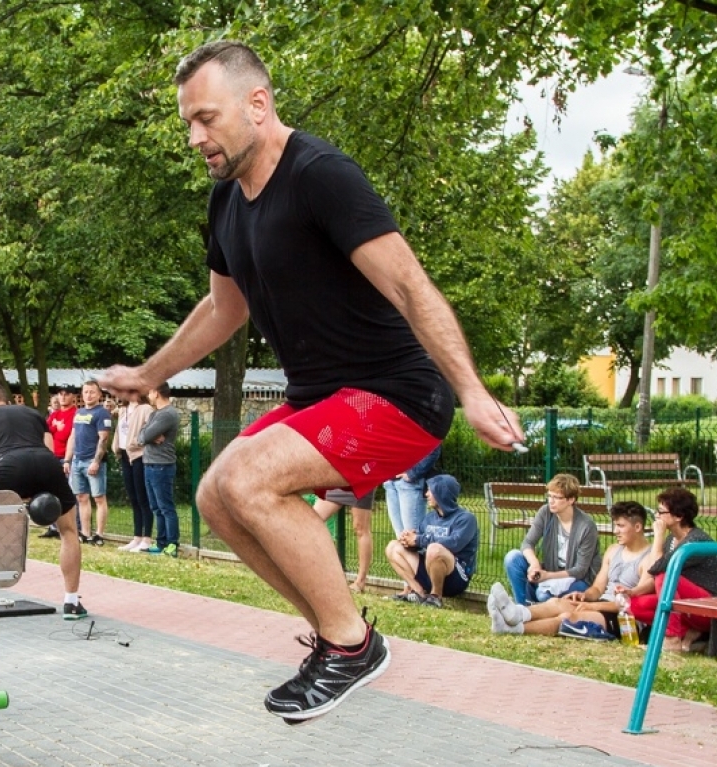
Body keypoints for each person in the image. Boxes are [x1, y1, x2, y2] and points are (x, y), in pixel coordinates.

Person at [100, 40, 525, 722]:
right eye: (188, 124)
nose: (195, 138)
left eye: (206, 119)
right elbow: (224, 309)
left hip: (395, 392)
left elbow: (410, 286)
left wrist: (473, 391)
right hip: (321, 398)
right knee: (215, 495)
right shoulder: (226, 200)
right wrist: (150, 373)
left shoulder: (322, 175)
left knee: (248, 479)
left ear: (257, 104)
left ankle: (350, 645)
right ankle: (339, 638)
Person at [0, 383, 87, 619]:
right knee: (69, 531)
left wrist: (10, 491)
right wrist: (34, 486)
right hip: (47, 464)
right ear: (8, 401)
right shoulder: (32, 413)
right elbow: (48, 449)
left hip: (9, 465)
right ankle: (72, 602)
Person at [487, 501, 651, 638]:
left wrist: (593, 607)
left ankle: (512, 629)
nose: (616, 531)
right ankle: (515, 613)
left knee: (568, 618)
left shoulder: (649, 558)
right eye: (615, 525)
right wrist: (584, 596)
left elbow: (636, 604)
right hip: (601, 604)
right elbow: (597, 588)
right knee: (556, 603)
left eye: (621, 526)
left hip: (625, 617)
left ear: (637, 527)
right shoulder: (613, 550)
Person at [618, 487, 717, 653]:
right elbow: (655, 574)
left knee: (665, 576)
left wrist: (658, 536)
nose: (657, 516)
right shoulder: (672, 539)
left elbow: (657, 568)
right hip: (686, 604)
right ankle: (689, 634)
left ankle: (672, 638)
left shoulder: (695, 541)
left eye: (661, 511)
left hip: (710, 608)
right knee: (633, 605)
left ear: (678, 516)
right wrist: (633, 592)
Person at [502, 473, 600, 605]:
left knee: (542, 595)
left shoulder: (586, 526)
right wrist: (534, 564)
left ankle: (537, 607)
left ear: (571, 500)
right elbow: (527, 543)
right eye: (549, 496)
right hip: (550, 574)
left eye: (557, 497)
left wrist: (547, 576)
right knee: (512, 558)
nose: (551, 501)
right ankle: (523, 607)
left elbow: (580, 570)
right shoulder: (545, 512)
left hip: (577, 580)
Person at [384, 475, 477, 607]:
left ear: (441, 493)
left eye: (430, 491)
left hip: (456, 578)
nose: (426, 494)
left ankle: (435, 597)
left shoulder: (466, 519)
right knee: (393, 547)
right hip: (430, 571)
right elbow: (419, 541)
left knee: (434, 549)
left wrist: (419, 539)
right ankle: (418, 592)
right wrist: (407, 540)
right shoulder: (430, 518)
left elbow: (454, 543)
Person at [65, 380, 112, 545]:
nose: (89, 395)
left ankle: (99, 534)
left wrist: (96, 462)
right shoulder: (79, 413)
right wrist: (67, 460)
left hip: (92, 461)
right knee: (81, 497)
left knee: (99, 498)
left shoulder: (102, 413)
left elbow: (103, 439)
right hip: (77, 461)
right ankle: (85, 533)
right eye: (85, 392)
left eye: (92, 392)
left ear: (99, 394)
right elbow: (72, 437)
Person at [137, 384, 181, 556]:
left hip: (162, 465)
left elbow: (145, 436)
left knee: (165, 506)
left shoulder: (167, 414)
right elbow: (141, 436)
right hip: (149, 464)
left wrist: (147, 435)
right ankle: (161, 542)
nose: (148, 395)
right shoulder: (155, 414)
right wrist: (147, 435)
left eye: (150, 391)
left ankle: (172, 544)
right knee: (156, 507)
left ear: (156, 392)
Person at [313, 489, 375, 591]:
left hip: (360, 483)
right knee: (313, 519)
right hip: (337, 483)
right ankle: (324, 573)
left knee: (360, 529)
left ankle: (360, 582)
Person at [118, 388, 156, 552]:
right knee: (133, 497)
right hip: (124, 454)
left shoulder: (146, 409)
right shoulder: (123, 410)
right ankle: (136, 537)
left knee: (143, 497)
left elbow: (151, 431)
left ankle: (147, 538)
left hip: (139, 455)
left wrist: (137, 443)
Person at [42, 386, 79, 539]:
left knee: (69, 492)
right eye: (60, 394)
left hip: (66, 457)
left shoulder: (75, 414)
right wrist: (55, 427)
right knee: (51, 491)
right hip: (52, 456)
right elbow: (45, 431)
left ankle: (74, 526)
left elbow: (68, 434)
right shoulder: (54, 414)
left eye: (66, 394)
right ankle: (53, 526)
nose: (63, 397)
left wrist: (56, 429)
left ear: (73, 396)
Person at [383, 444, 440, 537]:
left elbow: (433, 448)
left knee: (413, 538)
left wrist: (413, 473)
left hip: (409, 483)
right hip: (390, 482)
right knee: (401, 538)